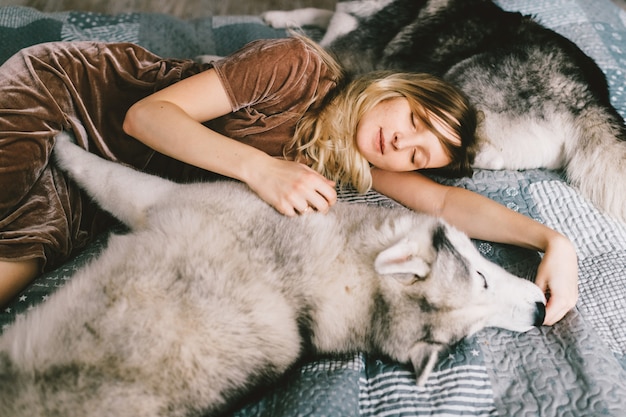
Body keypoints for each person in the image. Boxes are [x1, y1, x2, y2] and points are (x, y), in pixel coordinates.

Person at [0, 36, 578, 325]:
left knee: (25, 254)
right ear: (393, 89)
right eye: (415, 120)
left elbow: (450, 203)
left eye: (419, 154)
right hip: (71, 95)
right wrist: (262, 168)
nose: (403, 144)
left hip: (104, 181)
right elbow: (145, 117)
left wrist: (554, 241)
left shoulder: (358, 162)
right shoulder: (297, 66)